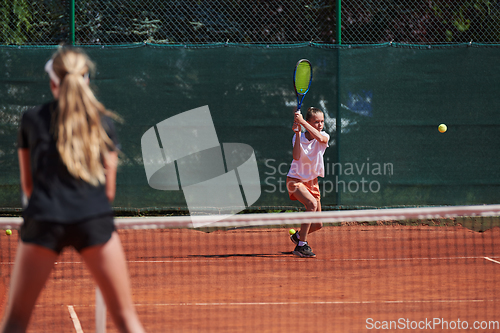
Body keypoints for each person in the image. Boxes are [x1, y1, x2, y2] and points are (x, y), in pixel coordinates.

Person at [0, 48, 145, 333]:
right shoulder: (104, 122)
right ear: (86, 79)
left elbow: (28, 186)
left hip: (44, 220)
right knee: (127, 319)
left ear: (53, 82)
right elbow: (109, 192)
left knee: (15, 321)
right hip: (93, 218)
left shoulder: (31, 119)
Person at [286, 107, 329, 258]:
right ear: (310, 122)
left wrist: (302, 121)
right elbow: (297, 156)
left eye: (322, 121)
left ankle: (298, 236)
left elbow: (320, 138)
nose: (320, 124)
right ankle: (301, 245)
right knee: (311, 204)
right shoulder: (298, 136)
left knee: (318, 224)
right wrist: (297, 133)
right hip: (294, 180)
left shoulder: (323, 136)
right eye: (316, 122)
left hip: (312, 182)